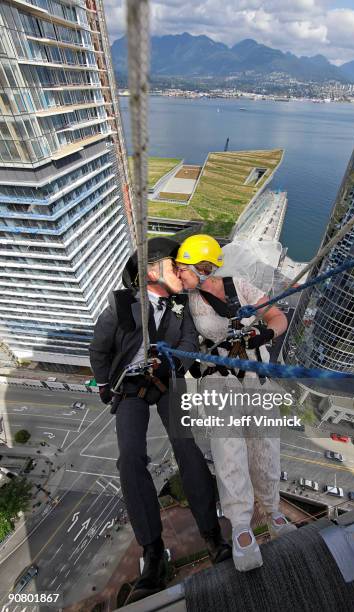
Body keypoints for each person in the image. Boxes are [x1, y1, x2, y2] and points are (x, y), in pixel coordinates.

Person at [89, 237, 231, 603]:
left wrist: (170, 363)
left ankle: (212, 535)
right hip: (129, 385)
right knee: (130, 458)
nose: (179, 272)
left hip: (166, 381)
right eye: (172, 265)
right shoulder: (122, 306)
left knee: (187, 446)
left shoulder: (180, 307)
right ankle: (152, 552)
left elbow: (188, 347)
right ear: (151, 271)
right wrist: (106, 386)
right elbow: (100, 347)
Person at [176, 234, 296, 572]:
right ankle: (242, 526)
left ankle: (272, 510)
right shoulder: (187, 302)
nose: (181, 276)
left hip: (254, 377)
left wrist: (264, 334)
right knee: (229, 451)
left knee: (265, 446)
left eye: (185, 269)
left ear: (203, 267)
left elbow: (278, 317)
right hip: (217, 380)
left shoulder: (239, 286)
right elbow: (182, 339)